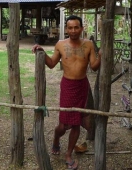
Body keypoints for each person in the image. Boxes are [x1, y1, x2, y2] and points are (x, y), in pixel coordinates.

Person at [32, 15, 101, 170]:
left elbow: (94, 67)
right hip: (68, 86)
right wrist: (42, 51)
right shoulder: (61, 45)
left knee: (76, 122)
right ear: (66, 29)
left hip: (82, 86)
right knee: (63, 124)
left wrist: (101, 55)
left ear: (81, 28)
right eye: (70, 27)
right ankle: (57, 138)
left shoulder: (89, 45)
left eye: (76, 27)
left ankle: (68, 154)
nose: (73, 30)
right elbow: (51, 64)